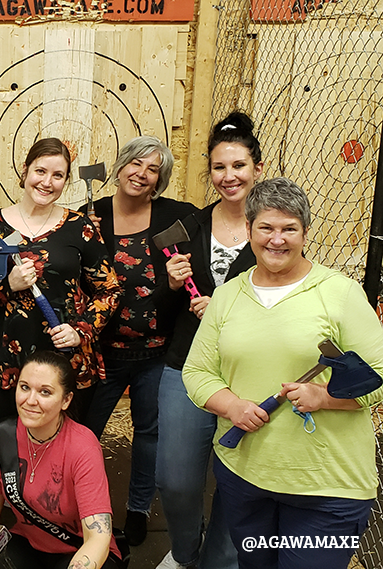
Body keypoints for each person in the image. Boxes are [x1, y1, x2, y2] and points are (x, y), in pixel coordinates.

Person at [182, 177, 383, 569]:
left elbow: (379, 373)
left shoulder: (338, 293)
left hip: (326, 488)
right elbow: (198, 372)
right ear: (249, 230)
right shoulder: (228, 296)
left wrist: (325, 398)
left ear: (305, 232)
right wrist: (232, 406)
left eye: (289, 228)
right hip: (246, 479)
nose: (277, 239)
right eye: (266, 228)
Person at [0, 137, 122, 566]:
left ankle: (68, 549)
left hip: (60, 369)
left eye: (58, 174)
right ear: (24, 171)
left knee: (61, 468)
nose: (47, 181)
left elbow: (110, 290)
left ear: (66, 180)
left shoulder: (80, 228)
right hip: (3, 364)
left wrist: (81, 331)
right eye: (40, 171)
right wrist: (8, 286)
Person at [153, 112, 262, 569]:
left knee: (237, 483)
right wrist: (174, 285)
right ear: (209, 171)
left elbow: (280, 297)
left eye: (238, 166)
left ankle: (221, 559)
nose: (229, 176)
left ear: (257, 167)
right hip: (186, 363)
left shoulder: (271, 231)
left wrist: (225, 309)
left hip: (249, 371)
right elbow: (160, 311)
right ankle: (184, 551)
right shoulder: (192, 225)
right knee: (175, 480)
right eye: (219, 167)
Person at [79, 135, 197, 545]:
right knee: (84, 432)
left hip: (156, 352)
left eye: (153, 170)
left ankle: (138, 510)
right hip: (104, 353)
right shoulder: (89, 215)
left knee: (149, 432)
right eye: (136, 164)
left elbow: (219, 226)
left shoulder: (176, 216)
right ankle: (85, 508)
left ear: (159, 181)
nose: (142, 174)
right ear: (121, 165)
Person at [0, 351, 123, 569]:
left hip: (79, 551)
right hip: (28, 545)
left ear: (66, 400)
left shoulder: (83, 446)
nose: (30, 400)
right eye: (24, 387)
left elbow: (98, 538)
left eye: (45, 392)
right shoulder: (2, 435)